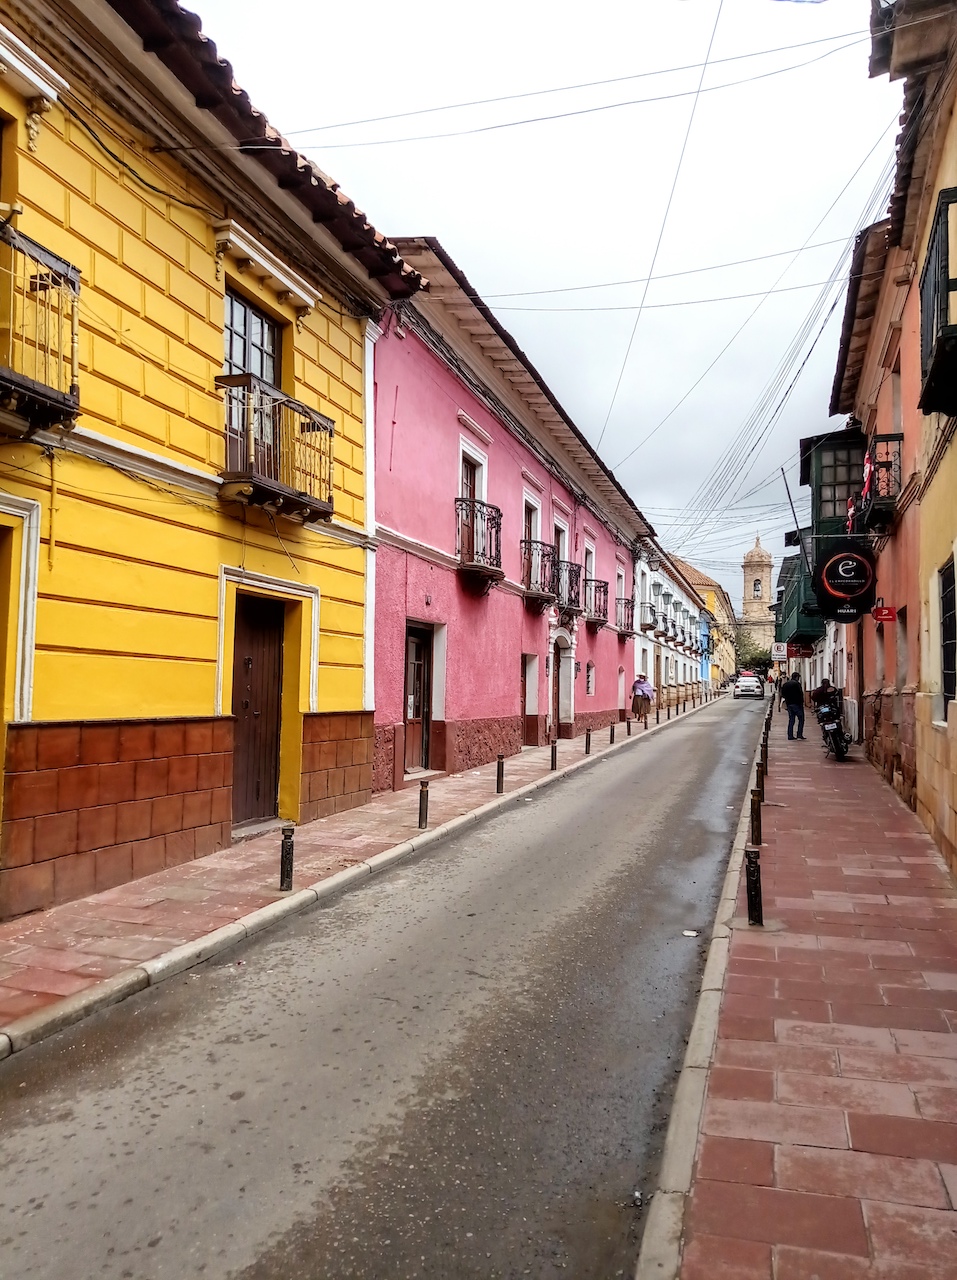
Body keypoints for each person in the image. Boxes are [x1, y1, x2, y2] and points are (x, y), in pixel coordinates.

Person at [779, 671, 805, 740]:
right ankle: (799, 734)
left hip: (789, 704)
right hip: (797, 704)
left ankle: (790, 735)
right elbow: (800, 694)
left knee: (791, 720)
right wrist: (801, 702)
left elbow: (782, 694)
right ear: (797, 677)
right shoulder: (797, 684)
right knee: (801, 719)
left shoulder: (786, 684)